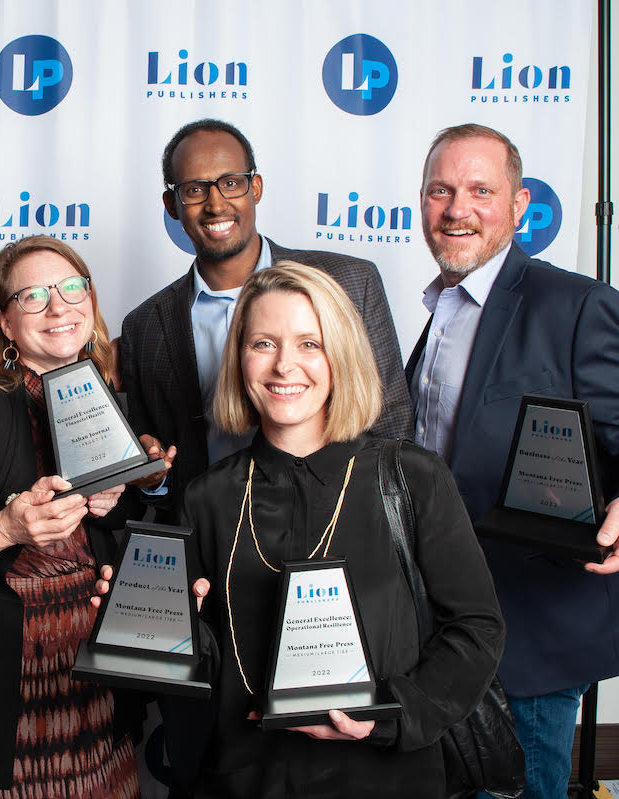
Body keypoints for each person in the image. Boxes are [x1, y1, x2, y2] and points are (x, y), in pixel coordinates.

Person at [179, 262, 503, 798]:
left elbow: (477, 629)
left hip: (385, 776)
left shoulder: (412, 478)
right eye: (263, 343)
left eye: (311, 343)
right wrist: (158, 631)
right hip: (249, 777)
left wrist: (389, 715)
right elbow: (210, 661)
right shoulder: (207, 497)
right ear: (239, 359)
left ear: (342, 356)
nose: (285, 365)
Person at [408, 123, 619, 799]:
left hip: (532, 635)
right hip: (444, 629)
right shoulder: (439, 310)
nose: (458, 208)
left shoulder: (575, 307)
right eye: (441, 190)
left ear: (519, 206)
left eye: (481, 190)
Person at [0, 236, 141, 797]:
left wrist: (119, 499)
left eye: (72, 288)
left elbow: (118, 528)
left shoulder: (106, 396)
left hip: (101, 694)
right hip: (13, 704)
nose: (59, 306)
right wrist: (8, 527)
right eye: (34, 296)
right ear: (5, 323)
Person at [119, 118, 413, 524]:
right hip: (216, 542)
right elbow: (159, 472)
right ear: (172, 205)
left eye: (231, 183)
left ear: (255, 187)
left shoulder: (349, 281)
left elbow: (391, 422)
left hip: (338, 526)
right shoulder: (145, 327)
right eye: (194, 190)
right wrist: (152, 478)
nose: (216, 204)